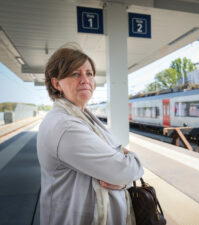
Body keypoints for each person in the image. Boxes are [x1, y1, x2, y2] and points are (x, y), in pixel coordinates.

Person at [37, 45, 144, 225]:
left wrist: (120, 177)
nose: (85, 80)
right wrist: (131, 161)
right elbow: (124, 170)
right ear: (57, 83)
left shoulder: (84, 117)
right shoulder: (66, 127)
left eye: (89, 74)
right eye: (75, 74)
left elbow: (117, 172)